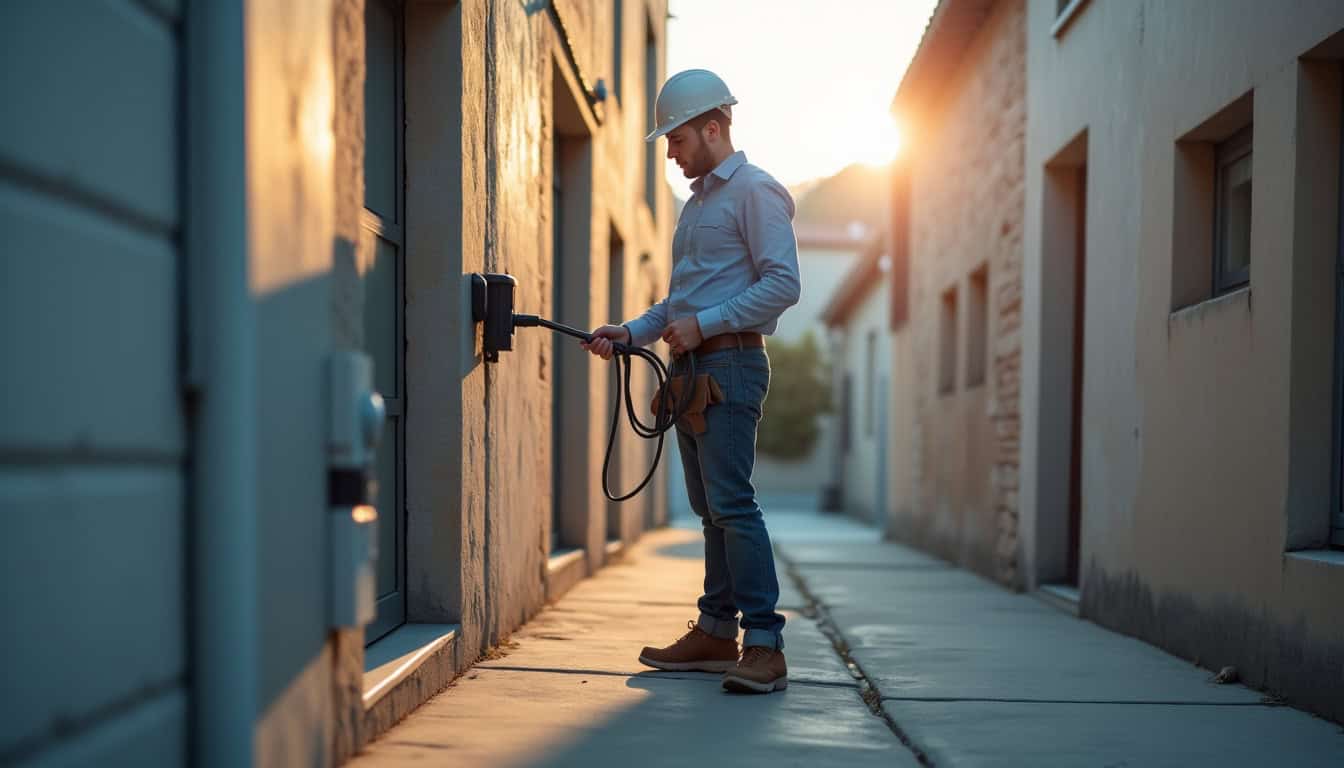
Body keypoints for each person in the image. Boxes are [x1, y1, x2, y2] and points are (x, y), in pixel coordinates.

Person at [581, 69, 801, 694]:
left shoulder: (757, 192)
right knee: (711, 511)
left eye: (676, 139)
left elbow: (784, 285)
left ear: (714, 126)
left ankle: (765, 644)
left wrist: (706, 325)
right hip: (694, 370)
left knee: (732, 504)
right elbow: (678, 303)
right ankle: (714, 632)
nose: (671, 153)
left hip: (731, 365)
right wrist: (630, 332)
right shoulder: (699, 204)